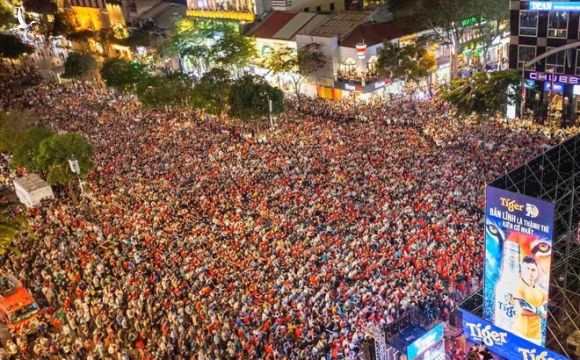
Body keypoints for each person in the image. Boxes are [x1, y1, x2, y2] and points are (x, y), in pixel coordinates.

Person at [512, 256, 548, 344]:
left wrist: (532, 309)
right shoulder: (517, 286)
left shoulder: (542, 292)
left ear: (536, 272)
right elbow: (521, 310)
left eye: (533, 270)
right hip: (519, 333)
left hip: (535, 337)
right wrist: (539, 311)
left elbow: (546, 313)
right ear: (522, 270)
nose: (530, 272)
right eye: (527, 269)